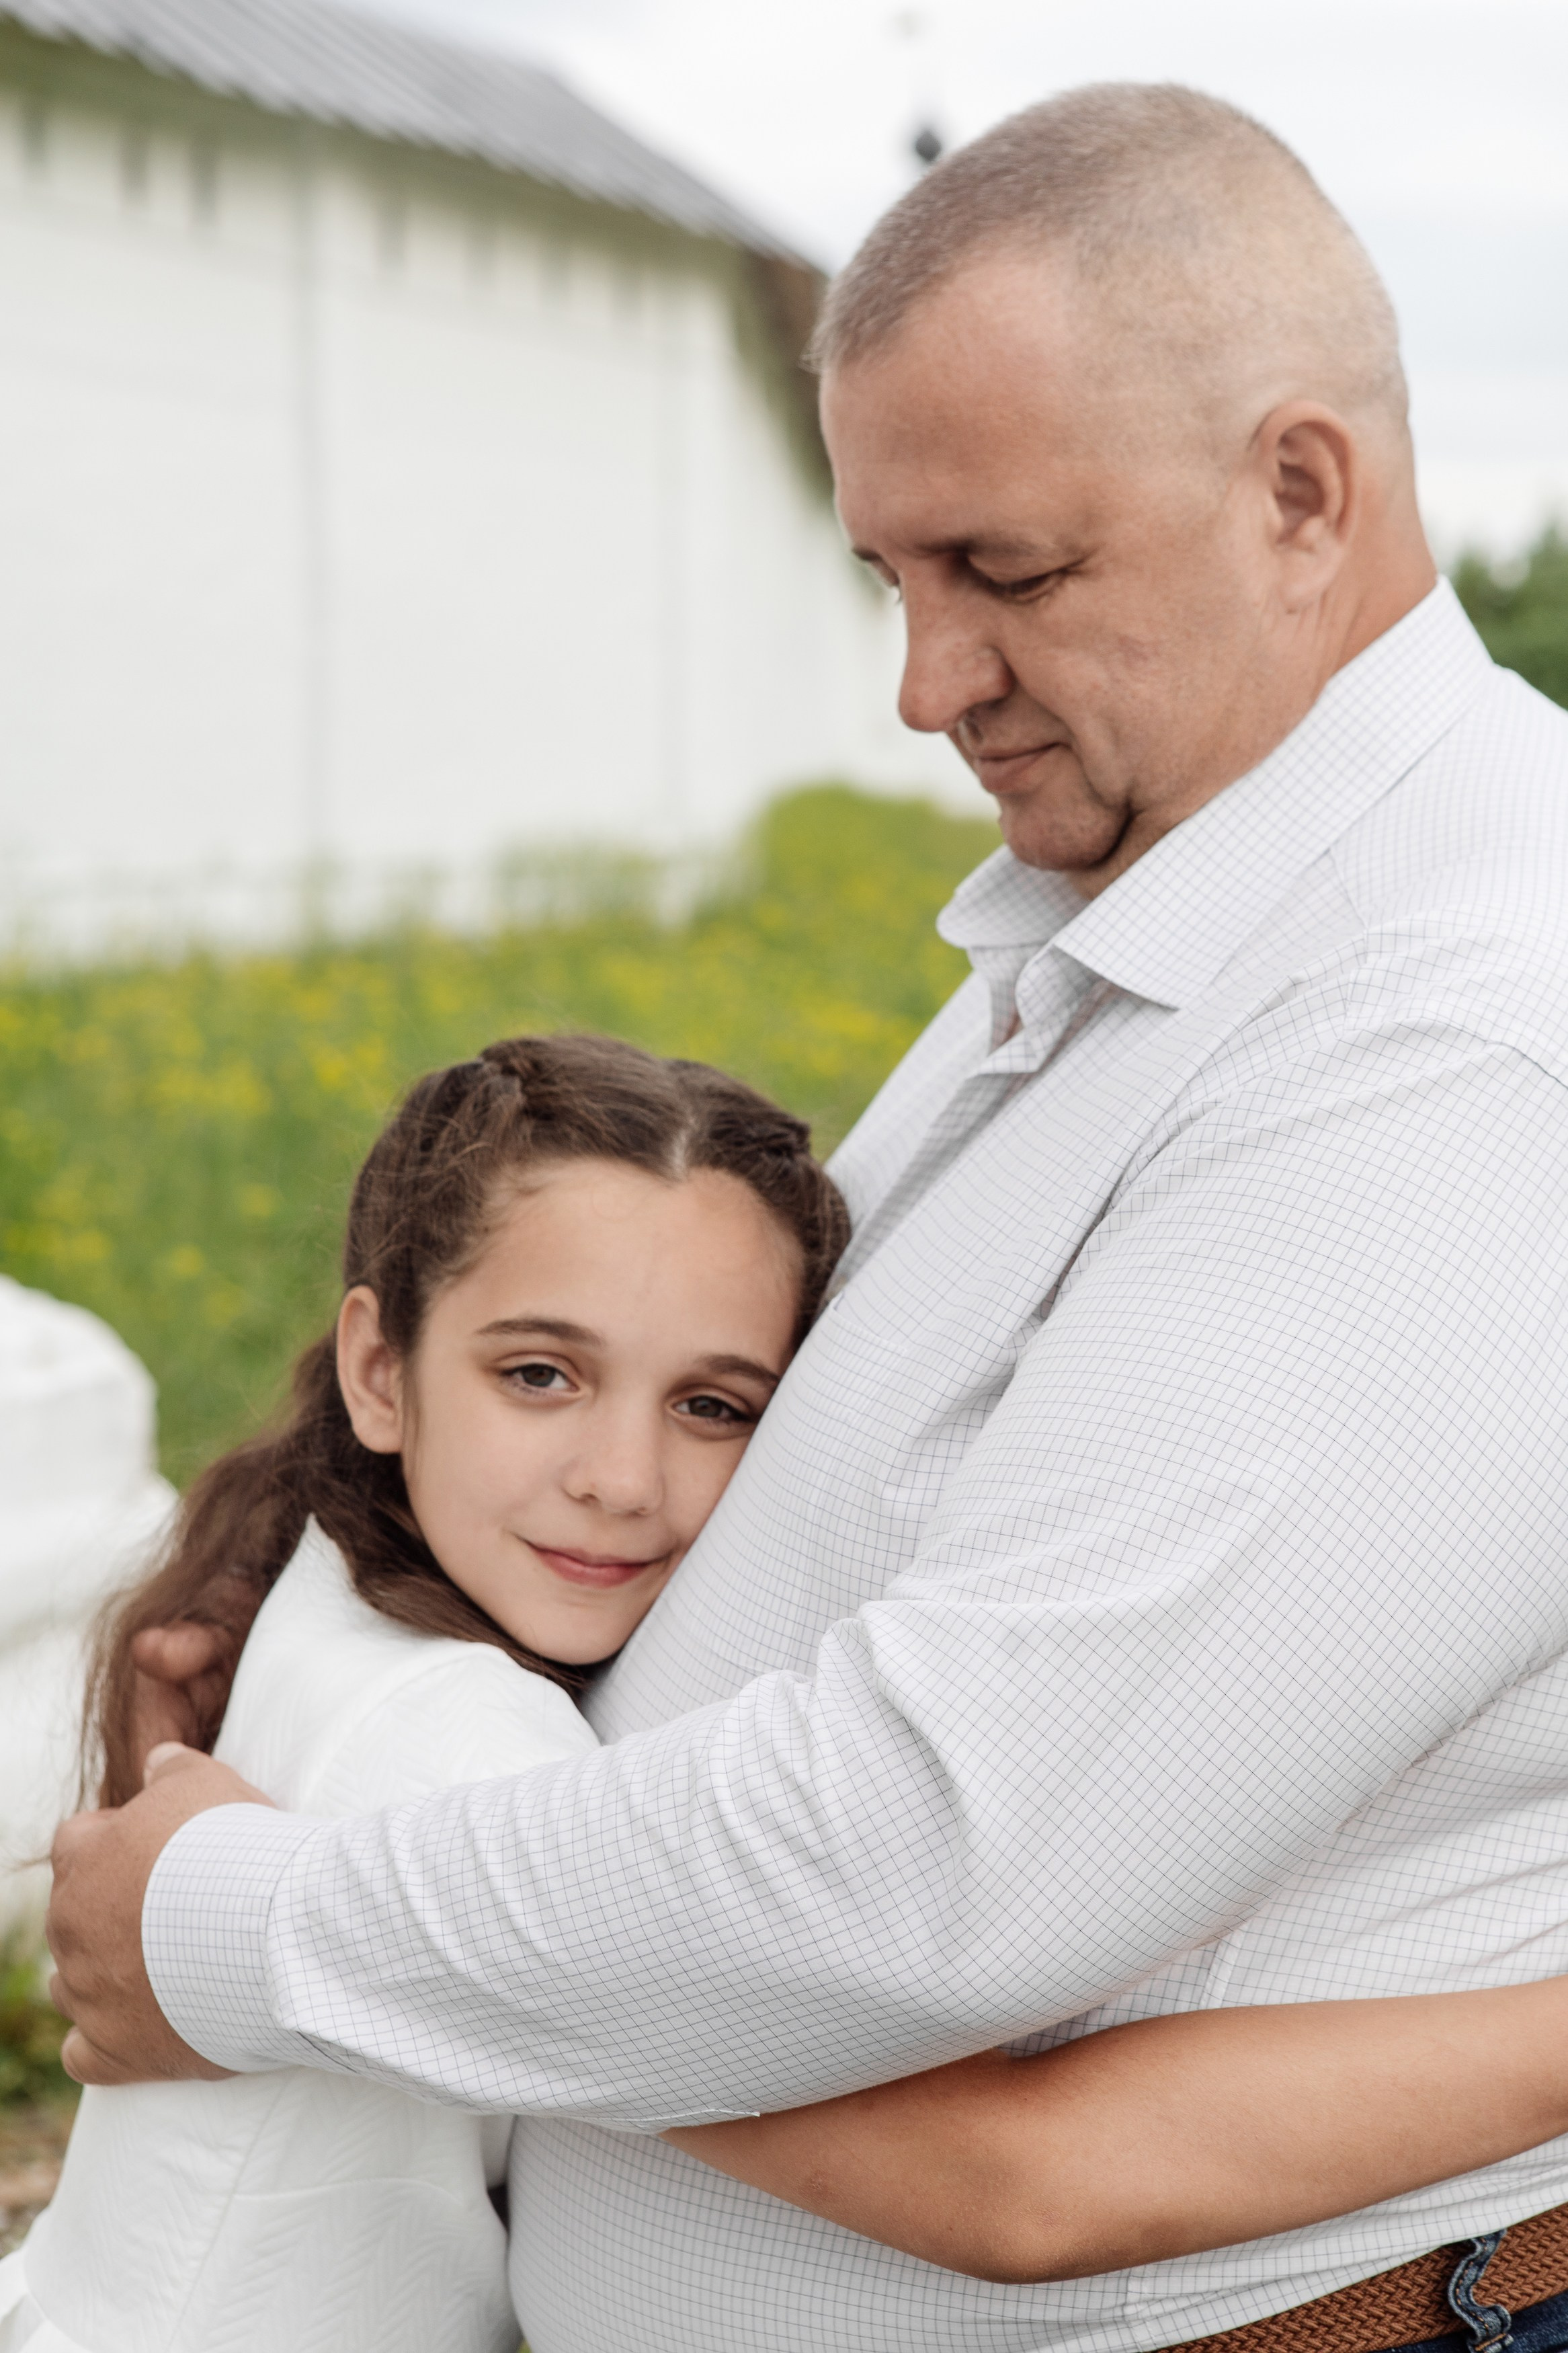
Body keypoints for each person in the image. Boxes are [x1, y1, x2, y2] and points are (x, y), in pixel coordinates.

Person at [46, 81, 1568, 2353]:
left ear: (1297, 493)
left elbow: (930, 1865)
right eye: (889, 577)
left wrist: (236, 1928)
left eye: (1002, 573)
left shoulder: (1448, 1042)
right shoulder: (1158, 903)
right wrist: (335, 1621)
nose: (922, 686)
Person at [22, 1039, 1568, 2353]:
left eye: (714, 1405)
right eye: (539, 1374)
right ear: (380, 1367)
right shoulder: (467, 1746)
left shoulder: (312, 1575)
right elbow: (1006, 2186)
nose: (621, 1479)